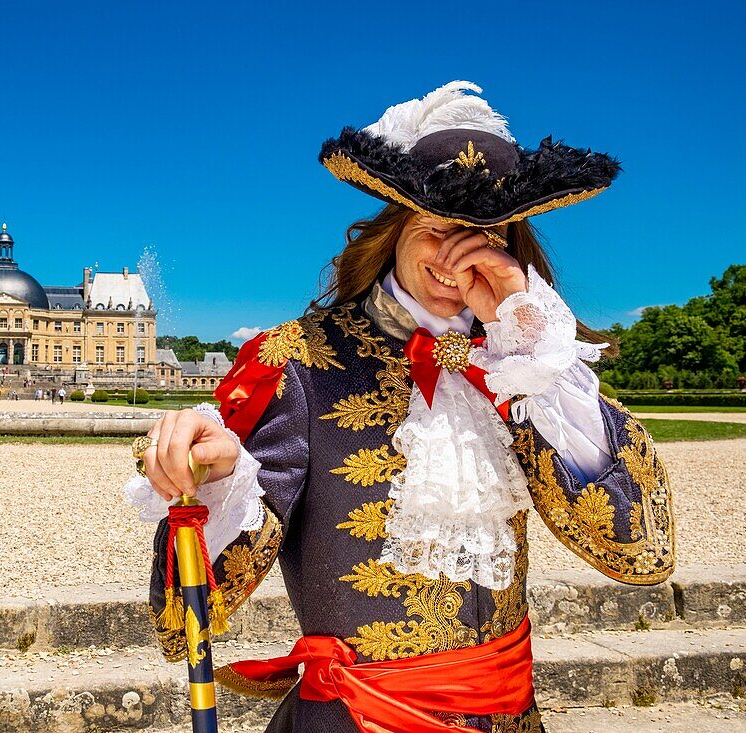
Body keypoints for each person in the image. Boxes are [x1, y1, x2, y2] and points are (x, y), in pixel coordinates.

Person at [123, 82, 674, 733]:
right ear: (396, 222)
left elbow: (640, 550)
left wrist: (539, 358)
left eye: (481, 235)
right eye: (436, 227)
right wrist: (211, 484)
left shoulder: (524, 364)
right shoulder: (296, 358)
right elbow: (181, 623)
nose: (453, 257)